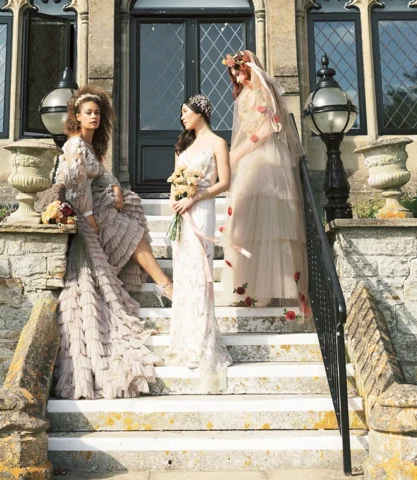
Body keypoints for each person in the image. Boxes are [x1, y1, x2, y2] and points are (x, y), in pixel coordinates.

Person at [52, 87, 172, 399]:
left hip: (97, 207)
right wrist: (90, 215)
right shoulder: (75, 144)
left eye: (97, 113)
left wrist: (117, 187)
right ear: (77, 117)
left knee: (129, 202)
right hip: (85, 216)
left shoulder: (91, 146)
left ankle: (161, 281)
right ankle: (164, 283)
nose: (94, 116)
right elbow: (75, 185)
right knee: (130, 230)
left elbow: (101, 176)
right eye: (88, 112)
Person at [220, 51, 310, 314]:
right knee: (248, 222)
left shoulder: (263, 92)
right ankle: (252, 288)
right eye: (234, 75)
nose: (237, 78)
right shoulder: (244, 96)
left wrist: (237, 152)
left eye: (239, 72)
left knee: (272, 223)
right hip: (251, 159)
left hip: (266, 158)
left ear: (249, 68)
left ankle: (276, 288)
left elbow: (270, 127)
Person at [167, 94, 232, 393]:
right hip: (182, 212)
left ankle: (204, 343)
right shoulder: (182, 146)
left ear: (200, 113)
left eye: (185, 112)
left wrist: (195, 197)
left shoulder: (217, 143)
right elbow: (175, 181)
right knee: (183, 273)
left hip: (202, 209)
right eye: (181, 113)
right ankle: (185, 340)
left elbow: (224, 183)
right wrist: (175, 201)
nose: (182, 117)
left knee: (200, 271)